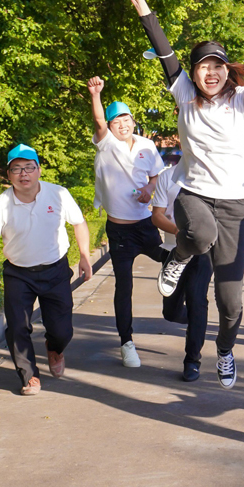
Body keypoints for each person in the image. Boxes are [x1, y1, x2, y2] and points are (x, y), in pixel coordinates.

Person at [124, 0, 244, 389]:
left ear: (226, 70)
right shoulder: (183, 92)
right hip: (195, 195)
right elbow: (163, 49)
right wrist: (142, 5)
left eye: (217, 65)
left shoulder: (242, 100)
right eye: (203, 66)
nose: (210, 72)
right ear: (194, 73)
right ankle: (177, 258)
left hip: (235, 207)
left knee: (230, 302)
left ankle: (224, 350)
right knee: (198, 235)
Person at [0, 144, 92, 395]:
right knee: (18, 326)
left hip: (55, 270)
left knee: (62, 331)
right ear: (9, 175)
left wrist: (84, 255)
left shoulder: (59, 194)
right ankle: (30, 376)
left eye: (29, 167)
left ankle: (55, 348)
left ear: (38, 170)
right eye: (16, 169)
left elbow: (79, 223)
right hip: (19, 274)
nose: (23, 174)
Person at [87, 76, 168, 368]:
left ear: (134, 121)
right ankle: (127, 343)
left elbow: (156, 175)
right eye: (116, 121)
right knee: (124, 286)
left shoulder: (147, 145)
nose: (123, 125)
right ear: (110, 127)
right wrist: (96, 95)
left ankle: (176, 305)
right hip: (119, 231)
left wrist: (149, 189)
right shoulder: (106, 143)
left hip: (145, 225)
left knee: (173, 260)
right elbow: (98, 120)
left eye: (126, 119)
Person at [151, 148, 213, 382]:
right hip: (172, 251)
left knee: (198, 301)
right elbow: (157, 215)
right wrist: (180, 233)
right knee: (171, 312)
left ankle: (192, 360)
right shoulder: (168, 176)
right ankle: (195, 321)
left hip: (203, 252)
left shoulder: (211, 178)